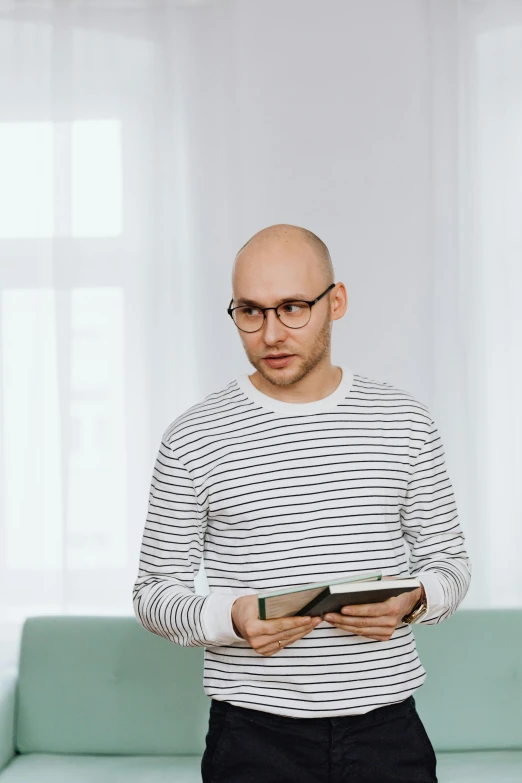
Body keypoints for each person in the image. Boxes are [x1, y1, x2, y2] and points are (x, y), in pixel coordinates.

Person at [132, 224, 471, 783]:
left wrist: (413, 599)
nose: (270, 334)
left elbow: (451, 565)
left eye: (292, 308)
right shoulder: (191, 437)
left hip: (386, 733)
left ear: (335, 302)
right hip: (252, 739)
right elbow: (153, 594)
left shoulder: (405, 423)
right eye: (250, 311)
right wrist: (231, 618)